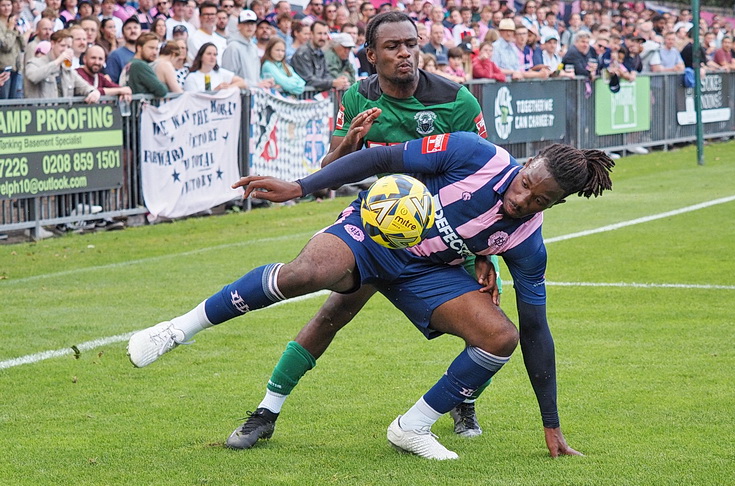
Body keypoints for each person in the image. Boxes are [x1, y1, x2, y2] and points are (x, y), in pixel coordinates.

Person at [128, 130, 614, 460]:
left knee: (500, 336)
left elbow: (536, 329)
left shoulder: (529, 242)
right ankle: (178, 330)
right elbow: (381, 157)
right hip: (373, 234)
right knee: (307, 276)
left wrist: (550, 421)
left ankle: (412, 428)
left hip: (425, 271)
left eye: (540, 199)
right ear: (527, 162)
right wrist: (300, 186)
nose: (523, 199)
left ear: (557, 203)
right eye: (528, 184)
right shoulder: (475, 154)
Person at [206, 11, 501, 451]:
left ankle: (463, 400)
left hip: (442, 234)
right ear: (371, 54)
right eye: (393, 46)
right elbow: (332, 167)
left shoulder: (457, 100)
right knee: (329, 316)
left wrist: (485, 254)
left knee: (485, 327)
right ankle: (265, 413)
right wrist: (346, 145)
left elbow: (485, 177)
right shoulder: (358, 98)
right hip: (375, 228)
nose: (405, 53)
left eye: (411, 43)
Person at [24, 28, 101, 102]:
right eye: (62, 45)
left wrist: (94, 92)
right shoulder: (35, 62)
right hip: (39, 112)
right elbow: (33, 77)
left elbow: (84, 86)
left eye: (68, 47)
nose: (65, 50)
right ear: (53, 44)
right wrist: (57, 61)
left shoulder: (67, 70)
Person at [291, 20, 350, 91]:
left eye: (325, 34)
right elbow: (308, 80)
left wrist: (339, 82)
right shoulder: (302, 53)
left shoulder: (321, 52)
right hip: (302, 99)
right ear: (311, 34)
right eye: (319, 33)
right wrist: (332, 83)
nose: (322, 37)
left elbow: (326, 75)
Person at [222, 9, 273, 89]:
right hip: (238, 95)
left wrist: (263, 83)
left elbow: (255, 77)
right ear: (238, 25)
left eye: (252, 24)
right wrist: (255, 84)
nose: (249, 27)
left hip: (253, 95)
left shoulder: (254, 47)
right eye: (246, 24)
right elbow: (229, 77)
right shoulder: (233, 47)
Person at [123, 31, 168, 96]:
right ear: (139, 48)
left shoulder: (131, 63)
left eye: (156, 49)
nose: (155, 52)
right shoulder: (139, 65)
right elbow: (161, 91)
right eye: (151, 48)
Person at [0, 0, 25, 99]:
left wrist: (16, 31)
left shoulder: (12, 22)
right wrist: (10, 30)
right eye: (3, 6)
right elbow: (6, 45)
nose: (6, 8)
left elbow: (22, 45)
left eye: (8, 5)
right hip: (3, 69)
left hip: (16, 67)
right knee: (4, 102)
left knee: (15, 103)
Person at [105, 16, 140, 84]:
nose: (133, 31)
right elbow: (111, 82)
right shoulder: (115, 55)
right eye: (128, 28)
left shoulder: (146, 54)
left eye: (135, 27)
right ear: (123, 33)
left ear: (140, 31)